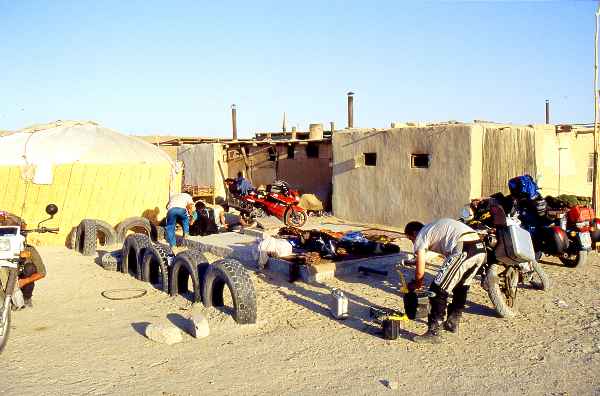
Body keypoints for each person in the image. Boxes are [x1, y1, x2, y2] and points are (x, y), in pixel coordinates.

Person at [404, 218, 486, 344]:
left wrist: (417, 283)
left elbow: (420, 270)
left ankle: (434, 332)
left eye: (411, 239)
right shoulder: (433, 229)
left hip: (464, 249)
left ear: (414, 233)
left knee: (437, 289)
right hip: (480, 249)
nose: (413, 242)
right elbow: (431, 255)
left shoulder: (421, 235)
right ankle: (452, 322)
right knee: (461, 286)